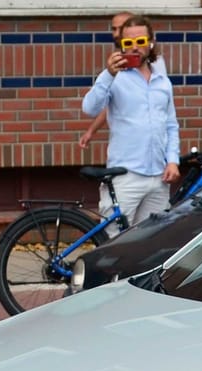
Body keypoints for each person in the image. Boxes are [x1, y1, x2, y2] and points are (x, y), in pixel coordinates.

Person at [80, 16, 181, 233]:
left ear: (151, 42)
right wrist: (108, 75)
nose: (135, 47)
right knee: (113, 239)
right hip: (126, 175)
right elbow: (90, 107)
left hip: (159, 175)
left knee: (151, 240)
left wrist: (172, 160)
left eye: (141, 41)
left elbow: (171, 125)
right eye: (128, 43)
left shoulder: (162, 82)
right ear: (121, 46)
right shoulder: (115, 78)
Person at [76, 12, 167, 153]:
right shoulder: (115, 64)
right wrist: (92, 130)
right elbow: (108, 103)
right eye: (114, 29)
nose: (116, 34)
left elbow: (161, 105)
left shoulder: (155, 66)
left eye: (120, 28)